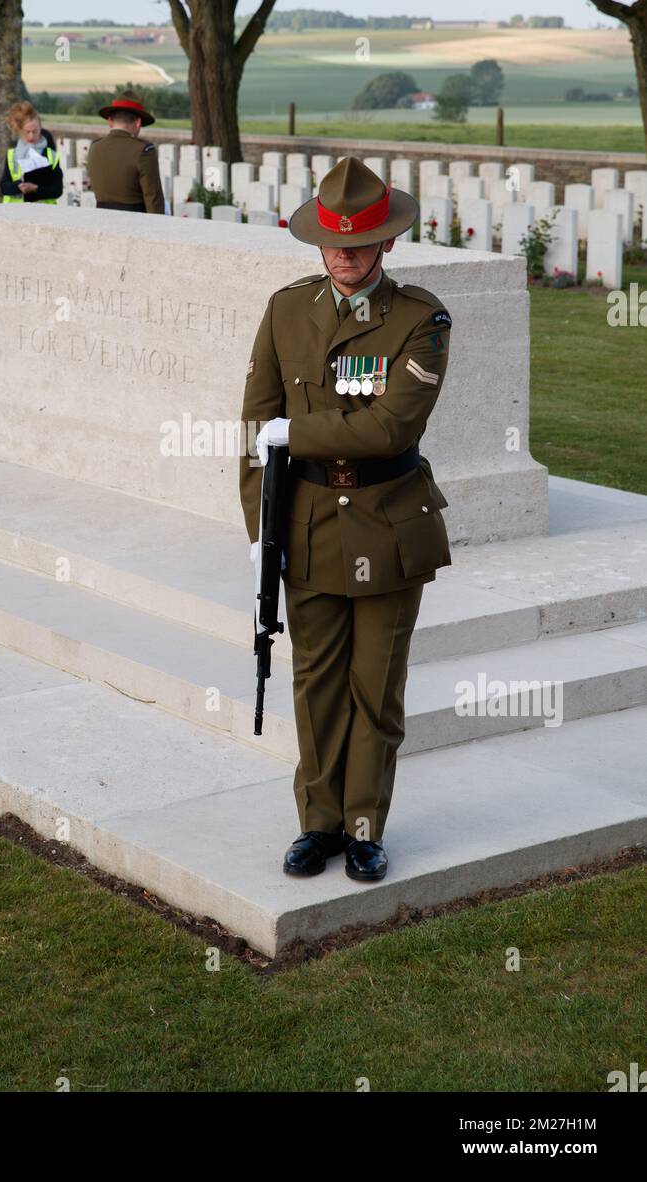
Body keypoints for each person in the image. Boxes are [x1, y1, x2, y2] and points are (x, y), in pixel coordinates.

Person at [240, 156, 452, 883]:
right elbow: (253, 426)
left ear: (387, 244)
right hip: (304, 526)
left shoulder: (420, 322)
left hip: (388, 529)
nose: (343, 256)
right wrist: (257, 532)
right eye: (332, 242)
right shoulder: (286, 309)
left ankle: (364, 826)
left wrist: (295, 434)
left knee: (375, 688)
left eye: (359, 245)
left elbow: (389, 429)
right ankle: (318, 825)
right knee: (316, 683)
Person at [86, 90, 165, 213]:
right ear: (138, 122)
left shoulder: (95, 147)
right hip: (135, 222)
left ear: (110, 121)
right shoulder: (144, 150)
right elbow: (153, 198)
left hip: (101, 220)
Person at [0, 103, 63, 204]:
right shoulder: (12, 155)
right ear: (20, 131)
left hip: (45, 213)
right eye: (27, 132)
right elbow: (4, 187)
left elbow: (57, 190)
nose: (31, 136)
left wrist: (36, 188)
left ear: (40, 129)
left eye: (35, 131)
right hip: (15, 213)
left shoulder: (51, 156)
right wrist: (18, 186)